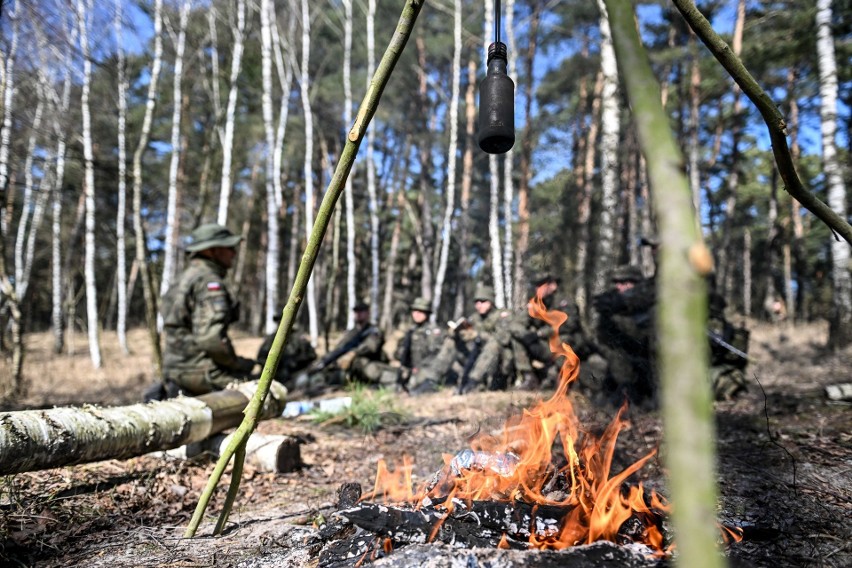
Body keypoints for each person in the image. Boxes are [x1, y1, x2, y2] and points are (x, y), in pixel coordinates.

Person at [156, 223, 256, 398]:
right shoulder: (208, 281)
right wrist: (237, 364)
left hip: (175, 370)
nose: (233, 253)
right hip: (201, 372)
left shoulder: (183, 278)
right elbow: (211, 339)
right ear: (212, 251)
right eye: (229, 247)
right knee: (261, 390)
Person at [593, 264, 657, 409]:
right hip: (621, 368)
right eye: (617, 283)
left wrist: (620, 322)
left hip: (648, 366)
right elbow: (602, 341)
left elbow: (644, 340)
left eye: (625, 283)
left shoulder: (648, 307)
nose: (620, 287)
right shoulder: (612, 306)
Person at [305, 302, 393, 389]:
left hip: (370, 362)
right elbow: (339, 349)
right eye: (356, 312)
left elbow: (371, 347)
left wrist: (353, 353)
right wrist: (323, 361)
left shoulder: (374, 331)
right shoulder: (350, 333)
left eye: (361, 311)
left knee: (361, 363)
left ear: (367, 313)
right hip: (349, 368)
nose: (358, 314)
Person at [394, 297, 444, 389]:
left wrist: (418, 369)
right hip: (412, 370)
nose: (416, 314)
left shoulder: (433, 331)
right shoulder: (410, 331)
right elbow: (399, 355)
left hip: (427, 371)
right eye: (415, 311)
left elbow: (435, 355)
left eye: (420, 311)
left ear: (427, 314)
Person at [256, 316, 317, 388]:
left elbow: (312, 356)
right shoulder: (270, 339)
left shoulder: (299, 338)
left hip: (296, 374)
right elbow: (260, 359)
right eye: (280, 321)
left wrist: (297, 361)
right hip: (275, 377)